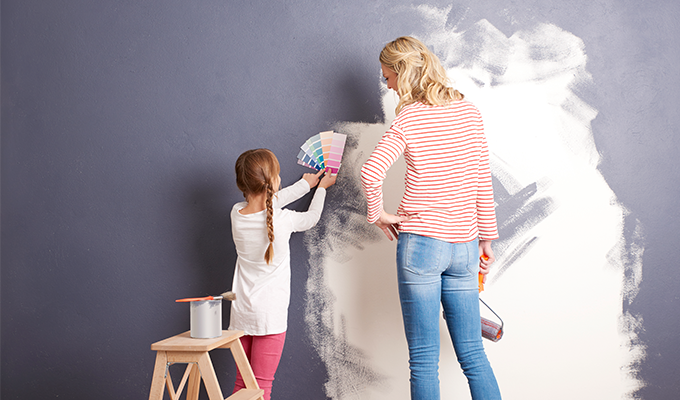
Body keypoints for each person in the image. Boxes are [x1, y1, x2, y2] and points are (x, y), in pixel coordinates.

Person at [360, 36, 502, 400]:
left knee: (423, 361)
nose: (387, 84)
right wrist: (486, 238)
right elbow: (481, 179)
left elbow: (370, 171)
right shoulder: (469, 112)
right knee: (473, 354)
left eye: (387, 76)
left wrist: (378, 215)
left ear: (403, 73)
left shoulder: (409, 116)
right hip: (465, 247)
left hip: (421, 246)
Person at [229, 148, 336, 400]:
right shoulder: (283, 220)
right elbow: (310, 218)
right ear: (273, 181)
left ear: (241, 183)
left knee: (242, 386)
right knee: (262, 388)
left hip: (241, 315)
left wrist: (304, 185)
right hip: (270, 317)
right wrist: (319, 189)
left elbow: (267, 203)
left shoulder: (236, 214)